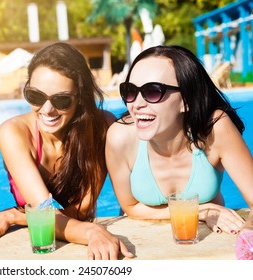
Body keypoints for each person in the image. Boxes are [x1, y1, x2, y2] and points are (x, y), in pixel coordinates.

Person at [0, 42, 134, 260]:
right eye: (36, 96)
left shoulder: (100, 127)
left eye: (62, 100)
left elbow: (82, 211)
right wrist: (93, 231)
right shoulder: (14, 133)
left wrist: (14, 215)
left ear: (80, 98)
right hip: (37, 245)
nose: (47, 110)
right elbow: (45, 215)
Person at [106, 45, 253, 236]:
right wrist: (200, 211)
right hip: (142, 242)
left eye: (152, 91)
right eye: (131, 91)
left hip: (206, 239)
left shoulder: (215, 130)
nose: (136, 104)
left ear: (186, 100)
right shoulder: (120, 137)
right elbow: (131, 208)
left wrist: (248, 235)